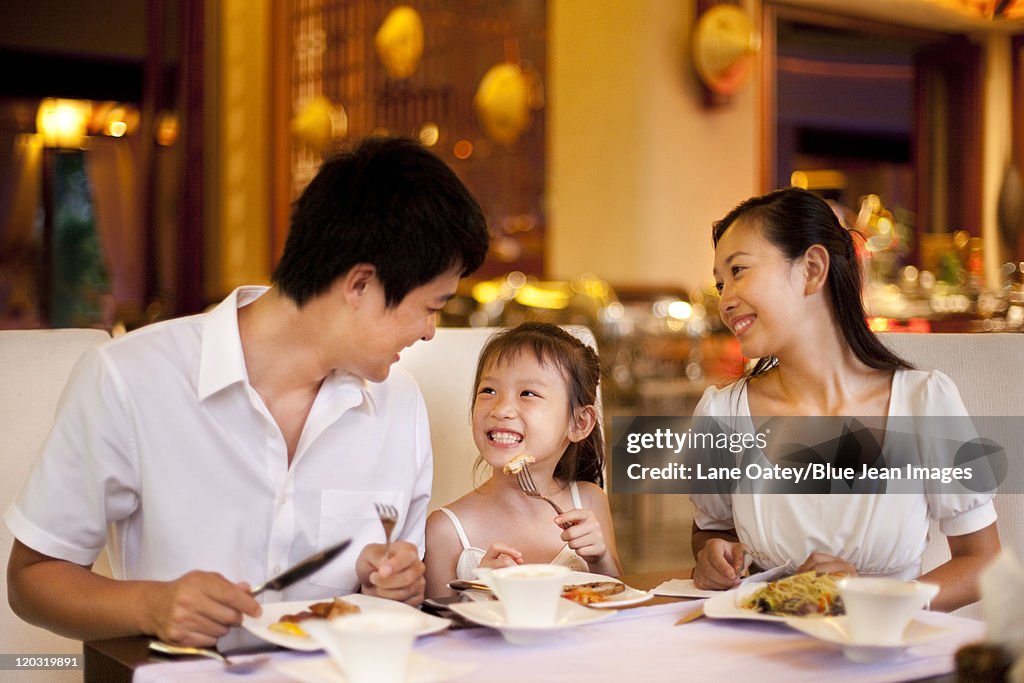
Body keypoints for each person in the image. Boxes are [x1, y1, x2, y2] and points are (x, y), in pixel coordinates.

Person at [5, 136, 490, 646]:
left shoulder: (399, 404)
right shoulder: (130, 379)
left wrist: (393, 585)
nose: (431, 331)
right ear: (360, 285)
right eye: (432, 307)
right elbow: (31, 579)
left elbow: (395, 594)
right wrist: (151, 604)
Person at [690, 187, 1000, 611]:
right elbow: (711, 530)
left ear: (812, 269)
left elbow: (982, 561)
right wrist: (711, 557)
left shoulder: (924, 403)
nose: (724, 301)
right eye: (719, 284)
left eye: (739, 271)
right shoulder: (721, 414)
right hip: (762, 650)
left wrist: (873, 601)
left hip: (887, 659)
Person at [424, 323, 621, 598]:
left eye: (528, 393)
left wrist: (601, 560)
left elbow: (617, 600)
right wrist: (479, 592)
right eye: (488, 391)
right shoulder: (444, 530)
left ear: (579, 422)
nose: (501, 409)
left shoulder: (589, 501)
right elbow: (437, 630)